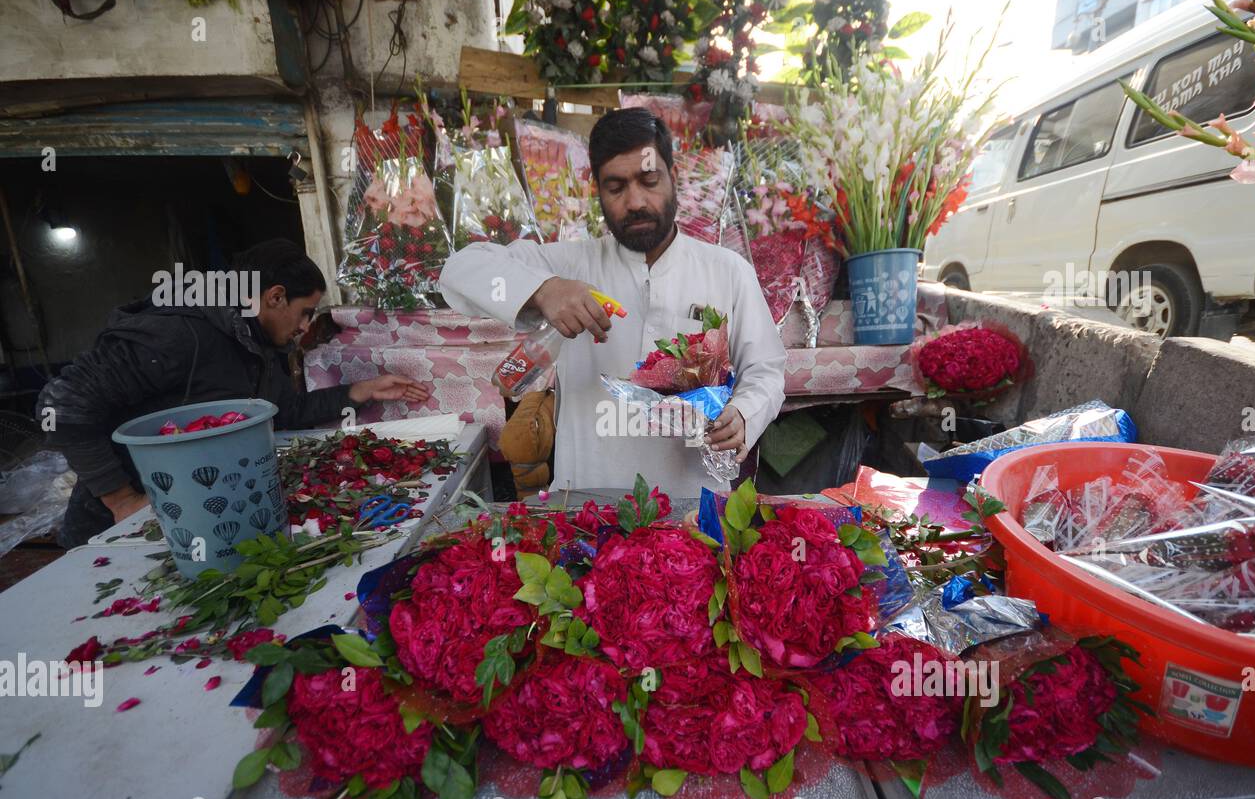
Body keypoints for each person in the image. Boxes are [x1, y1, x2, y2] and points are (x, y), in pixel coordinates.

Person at [439, 107, 786, 496]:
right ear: (598, 192)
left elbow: (766, 371)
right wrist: (545, 289)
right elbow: (458, 270)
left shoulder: (727, 271)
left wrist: (744, 413)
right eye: (616, 187)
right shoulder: (570, 263)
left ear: (673, 178)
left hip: (694, 512)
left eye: (649, 180)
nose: (635, 201)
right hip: (585, 507)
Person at [37, 238, 428, 547]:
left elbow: (285, 412)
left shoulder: (259, 345)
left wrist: (361, 391)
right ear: (275, 297)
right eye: (306, 312)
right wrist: (122, 500)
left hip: (192, 513)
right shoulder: (180, 333)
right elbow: (63, 403)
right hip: (119, 524)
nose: (307, 327)